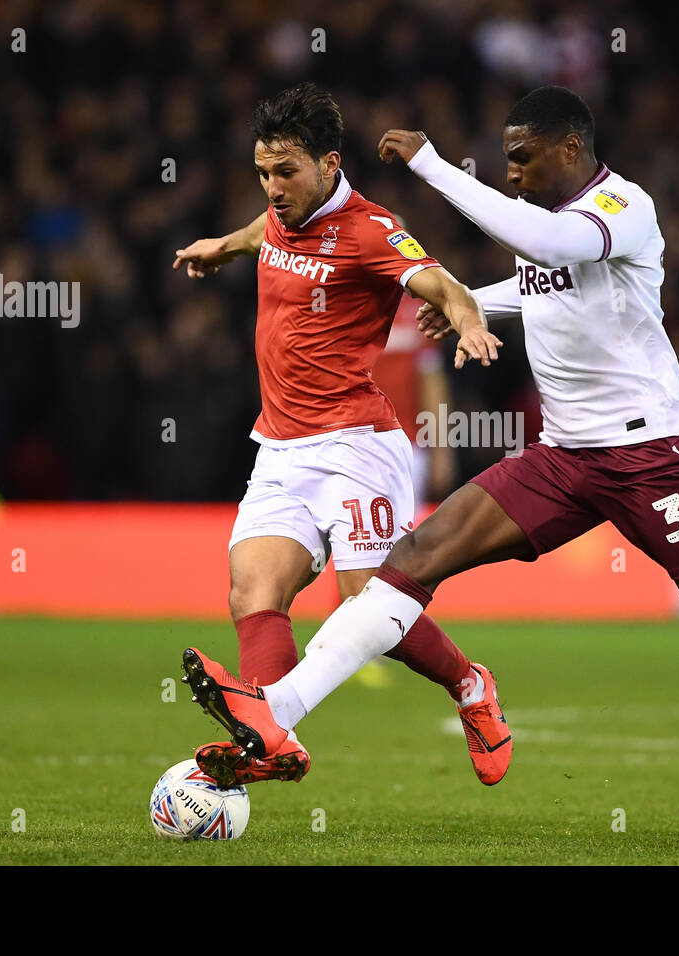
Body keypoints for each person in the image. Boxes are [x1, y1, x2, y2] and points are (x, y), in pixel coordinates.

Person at [183, 86, 679, 844]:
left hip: (650, 459)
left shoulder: (620, 208)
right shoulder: (554, 217)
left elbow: (550, 246)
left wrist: (433, 166)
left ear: (571, 147)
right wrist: (470, 301)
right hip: (564, 458)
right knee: (410, 563)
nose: (512, 171)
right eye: (505, 158)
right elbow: (540, 279)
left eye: (523, 156)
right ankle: (276, 711)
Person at [171, 83, 513, 787]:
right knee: (252, 591)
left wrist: (471, 319)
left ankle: (471, 684)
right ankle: (270, 737)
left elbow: (441, 284)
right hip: (281, 446)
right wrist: (221, 248)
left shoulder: (371, 229)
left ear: (329, 164)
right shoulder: (279, 218)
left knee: (368, 608)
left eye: (285, 172)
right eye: (262, 173)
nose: (271, 188)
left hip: (358, 444)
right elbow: (261, 234)